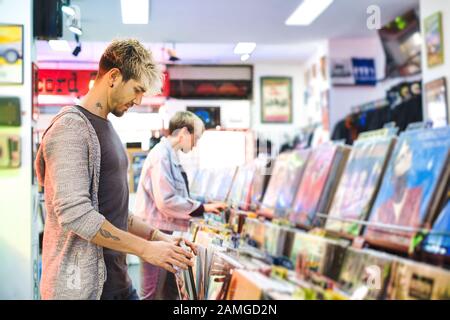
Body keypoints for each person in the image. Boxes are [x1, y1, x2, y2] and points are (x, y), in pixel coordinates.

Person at [35, 39, 196, 300]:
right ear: (113, 77)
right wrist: (145, 249)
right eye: (137, 89)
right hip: (81, 290)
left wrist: (159, 238)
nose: (139, 99)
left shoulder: (108, 128)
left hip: (118, 285)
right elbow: (76, 215)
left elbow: (116, 210)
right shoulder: (70, 129)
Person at [134, 111, 227, 300]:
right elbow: (166, 200)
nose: (195, 144)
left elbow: (177, 194)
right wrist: (202, 208)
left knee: (169, 291)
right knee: (152, 293)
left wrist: (204, 204)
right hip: (155, 233)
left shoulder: (170, 155)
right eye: (196, 138)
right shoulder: (161, 156)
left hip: (165, 233)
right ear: (184, 132)